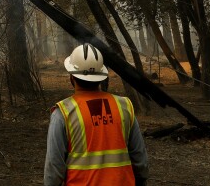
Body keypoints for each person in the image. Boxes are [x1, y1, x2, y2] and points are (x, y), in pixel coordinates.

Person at [44, 44, 149, 186]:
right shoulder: (124, 106)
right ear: (101, 77)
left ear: (72, 77)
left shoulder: (63, 113)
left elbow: (54, 168)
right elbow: (140, 159)